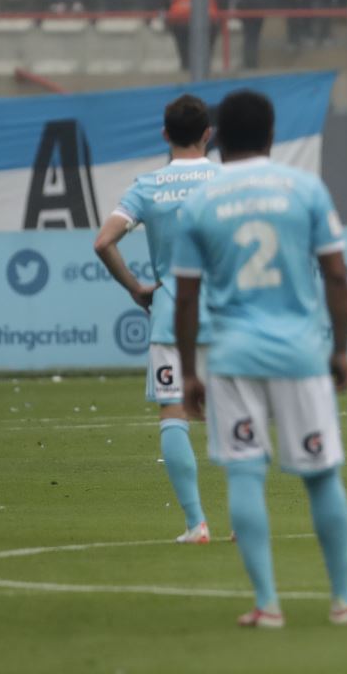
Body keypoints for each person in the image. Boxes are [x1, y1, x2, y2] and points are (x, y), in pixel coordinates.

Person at [170, 90, 347, 627]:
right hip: (301, 355)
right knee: (322, 473)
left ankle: (267, 604)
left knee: (244, 473)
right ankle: (343, 599)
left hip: (234, 356)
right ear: (271, 134)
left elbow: (185, 297)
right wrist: (343, 349)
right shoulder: (303, 188)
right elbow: (335, 274)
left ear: (220, 136)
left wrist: (189, 371)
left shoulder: (202, 203)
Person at [89, 95, 219, 545]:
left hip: (170, 317)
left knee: (174, 414)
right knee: (237, 415)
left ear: (165, 135)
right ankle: (245, 522)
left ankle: (196, 524)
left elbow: (104, 241)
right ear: (208, 134)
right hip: (228, 316)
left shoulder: (148, 186)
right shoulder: (229, 180)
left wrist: (135, 288)